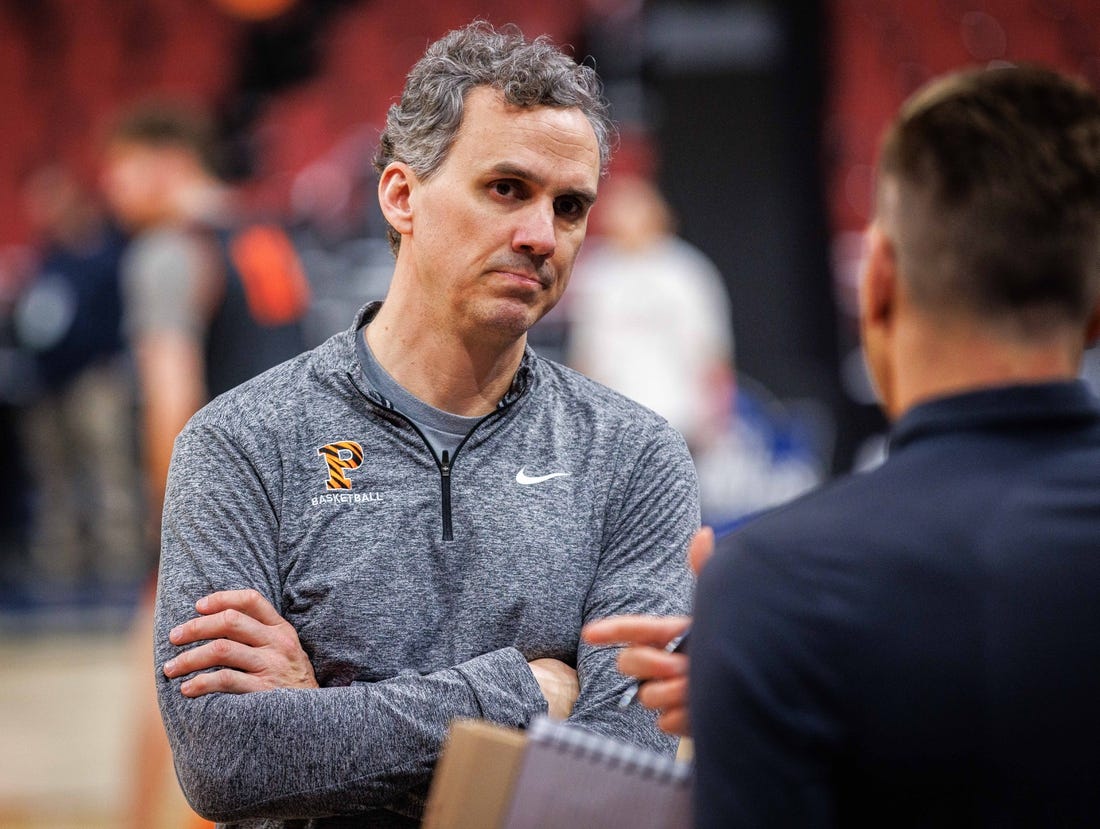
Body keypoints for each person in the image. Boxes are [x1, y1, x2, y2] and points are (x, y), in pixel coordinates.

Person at [155, 21, 697, 828]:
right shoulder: (240, 443)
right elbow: (226, 760)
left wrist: (324, 714)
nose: (542, 236)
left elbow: (619, 780)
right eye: (506, 187)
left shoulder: (634, 457)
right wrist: (526, 692)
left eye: (570, 205)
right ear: (402, 196)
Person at [586, 64, 1100, 826]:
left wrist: (764, 673)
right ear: (1093, 313)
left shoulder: (775, 587)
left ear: (879, 282)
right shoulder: (777, 607)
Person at [100, 101, 310, 829]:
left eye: (121, 170)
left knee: (167, 683)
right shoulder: (269, 236)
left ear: (163, 162)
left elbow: (172, 393)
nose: (113, 190)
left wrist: (176, 523)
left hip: (223, 502)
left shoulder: (169, 249)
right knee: (247, 701)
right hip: (304, 501)